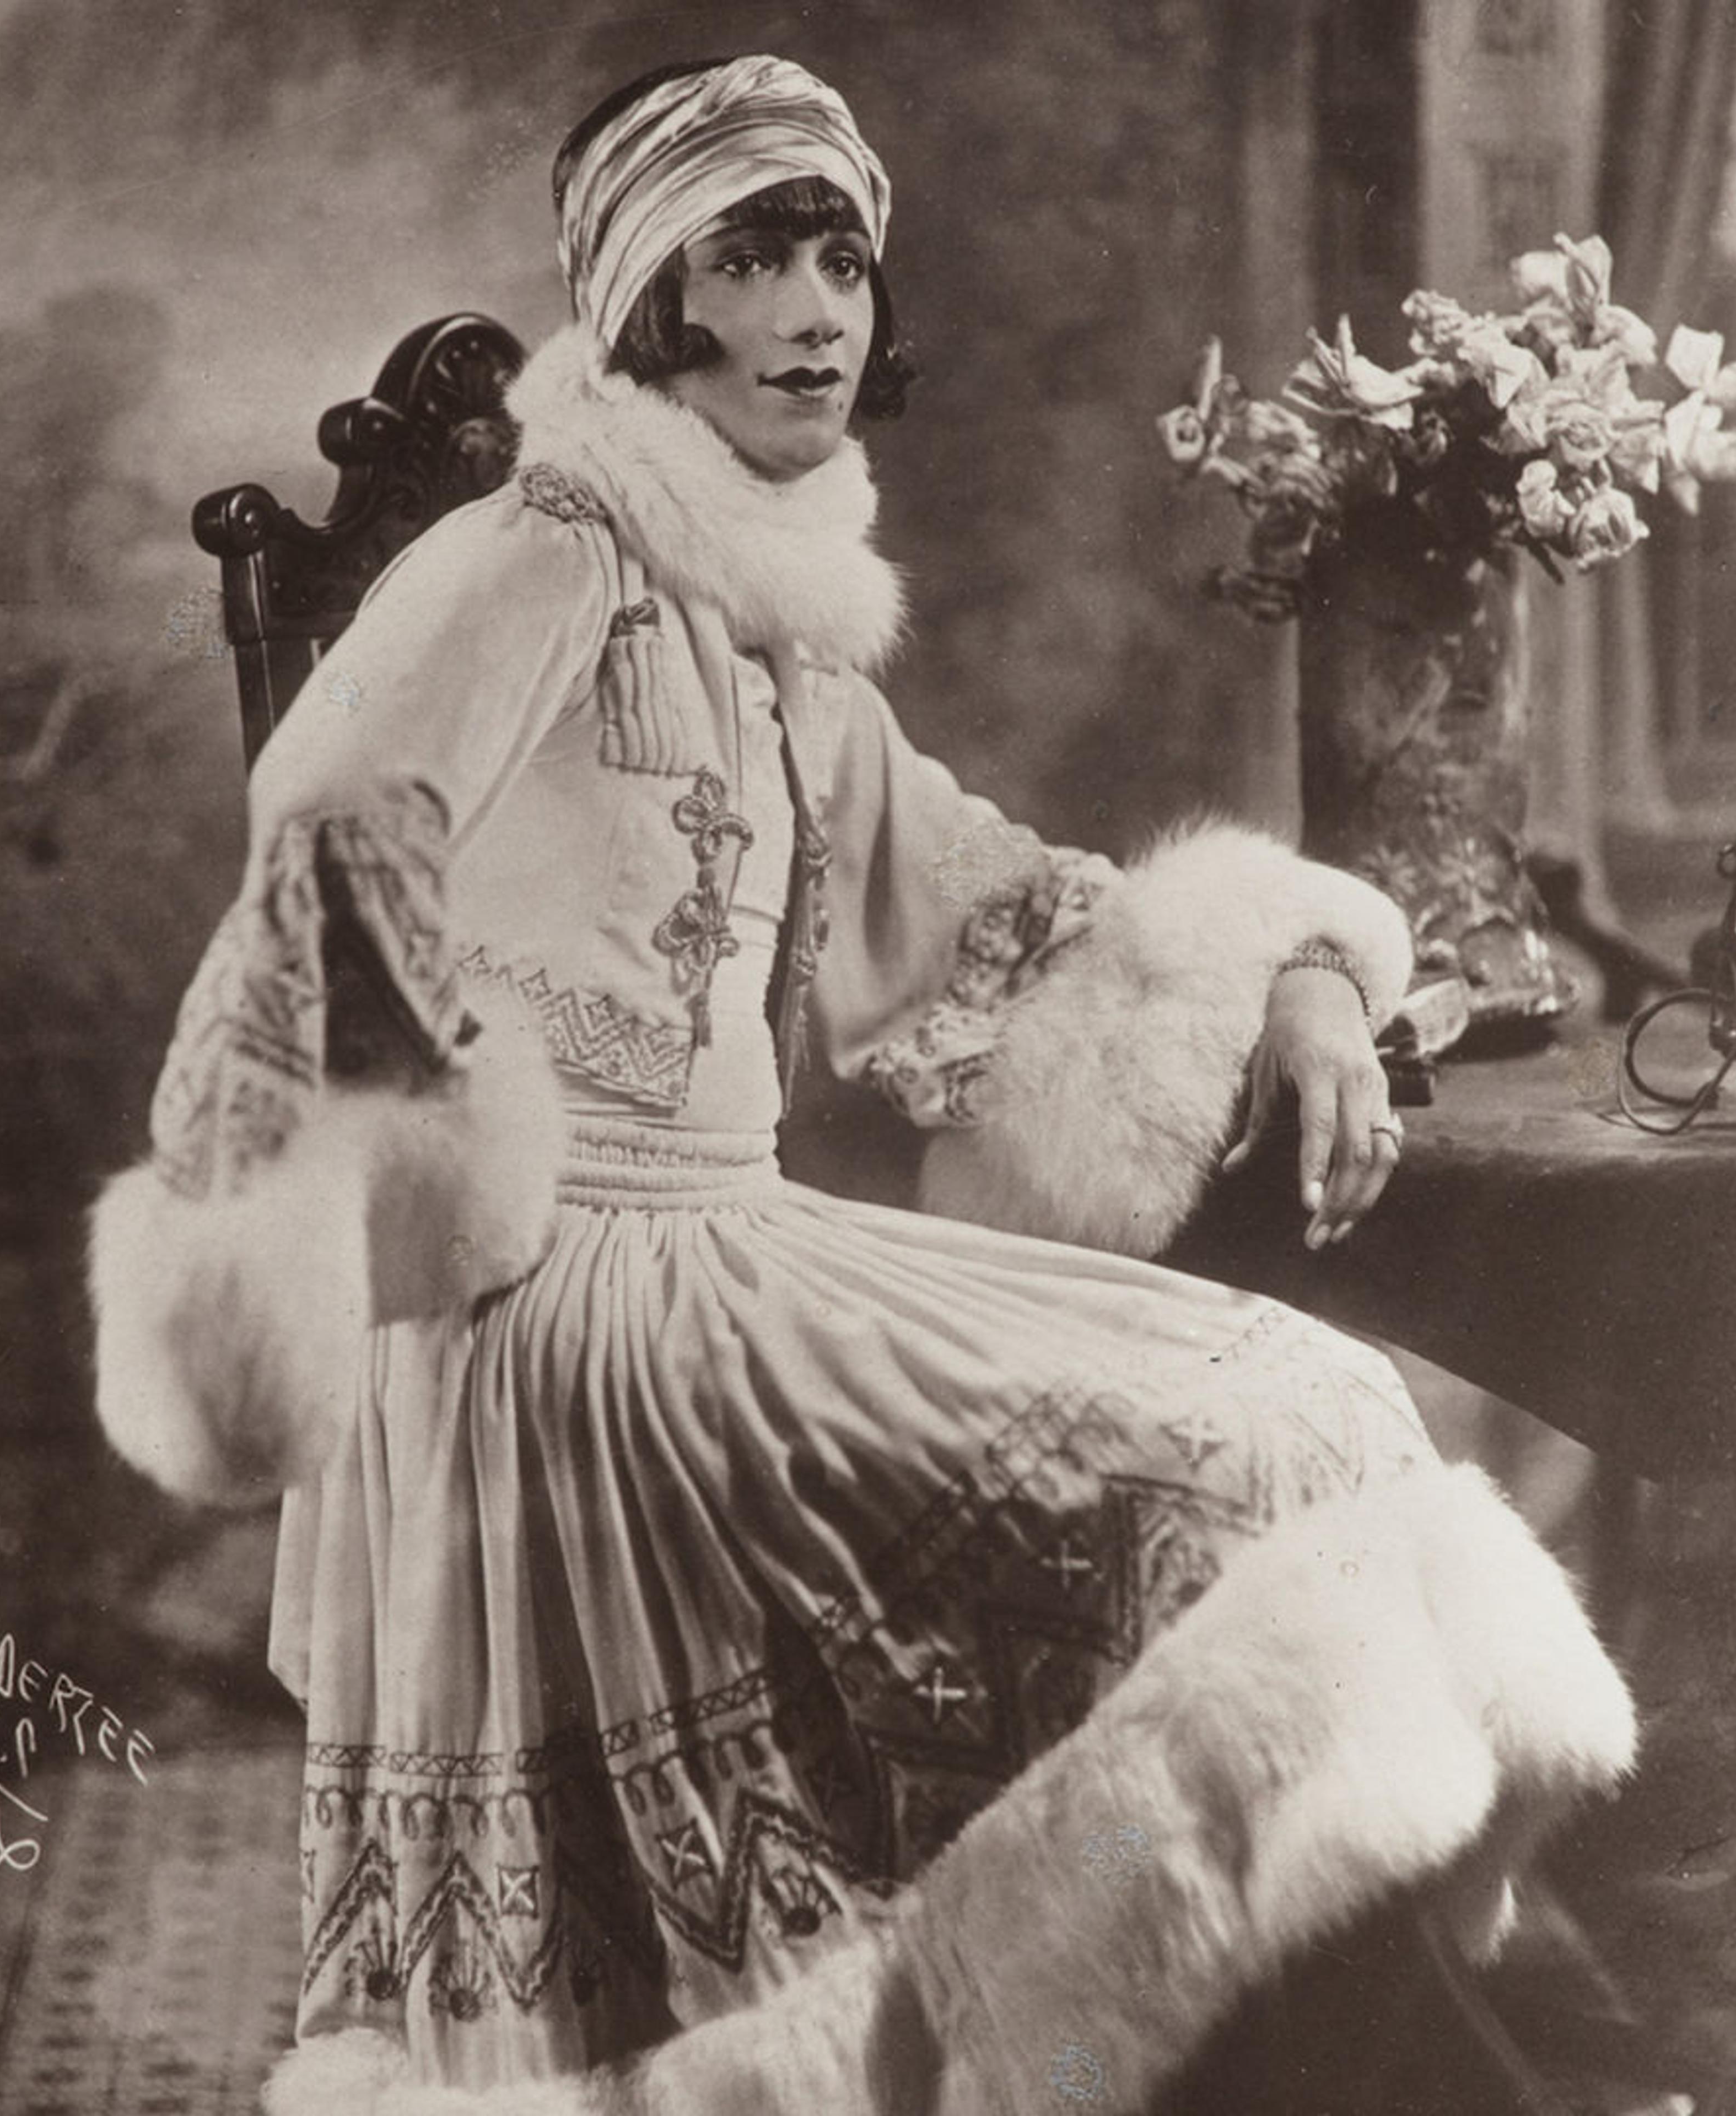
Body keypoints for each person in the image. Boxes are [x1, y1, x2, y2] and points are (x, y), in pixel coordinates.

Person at [87, 54, 1605, 2098]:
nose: (816, 310)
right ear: (651, 301)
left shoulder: (773, 626)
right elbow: (325, 830)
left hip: (739, 1253)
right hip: (551, 1317)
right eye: (754, 257)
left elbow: (991, 908)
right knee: (1240, 1461)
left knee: (1314, 1404)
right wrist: (409, 1172)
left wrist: (1312, 977)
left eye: (843, 260)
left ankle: (1317, 2035)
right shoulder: (539, 552)